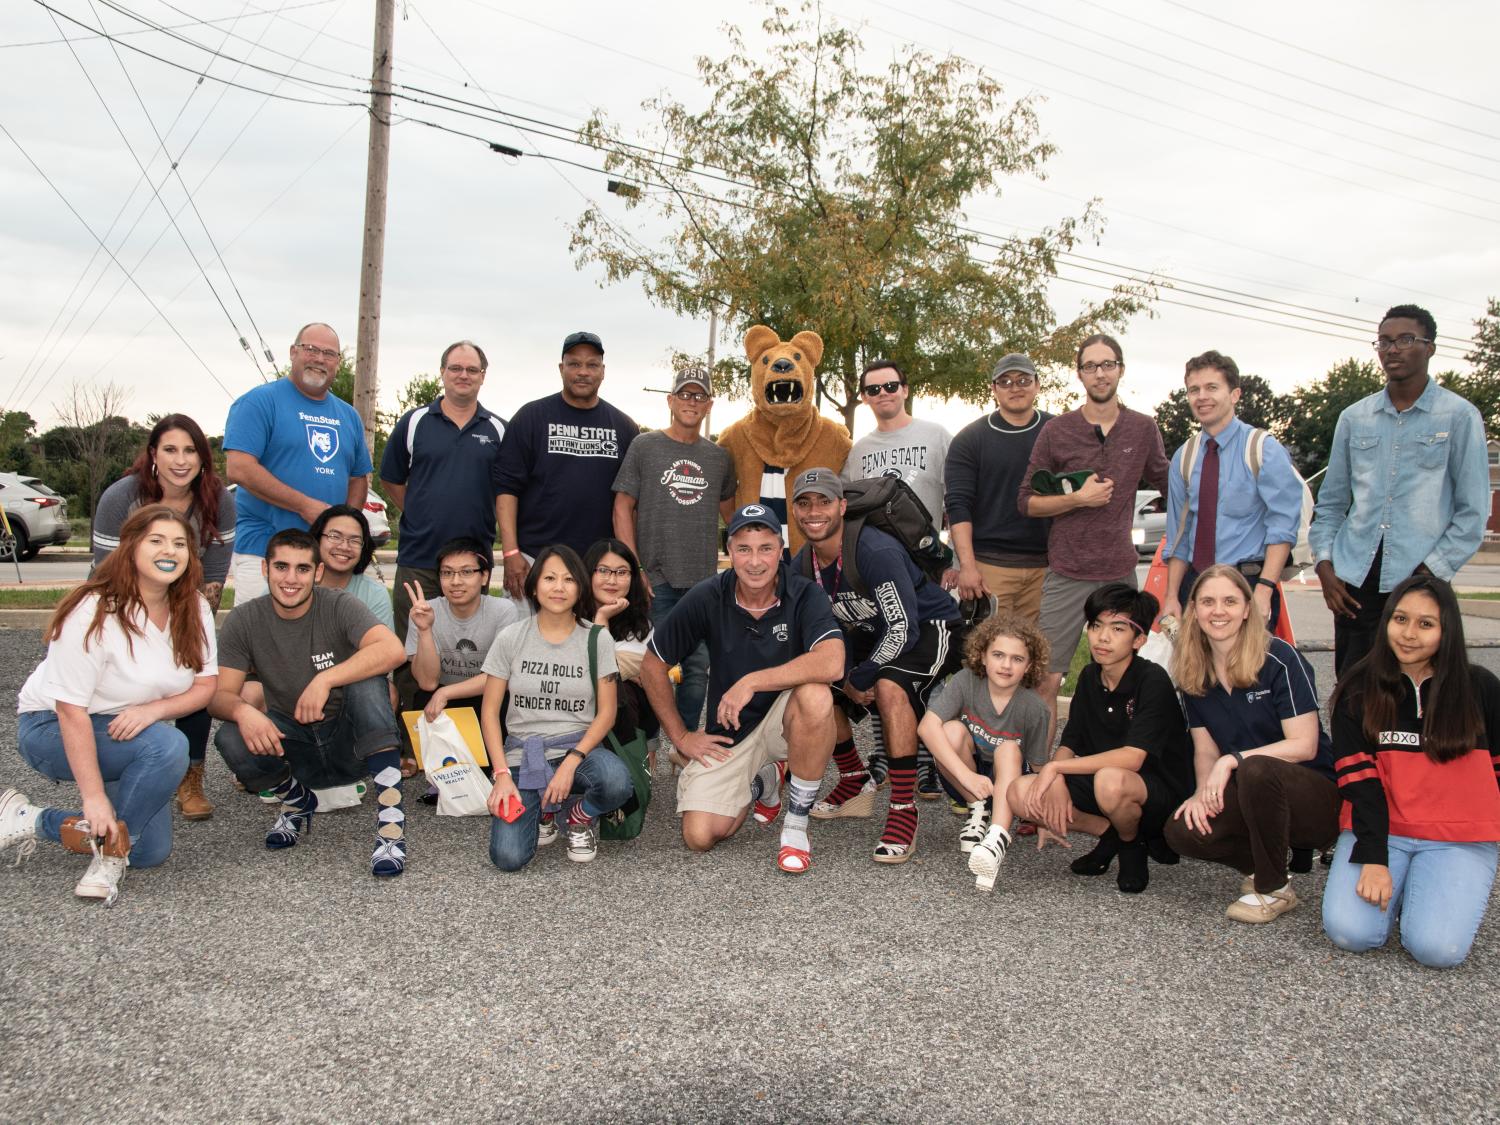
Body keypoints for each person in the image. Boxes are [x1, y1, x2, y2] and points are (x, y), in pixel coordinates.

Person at [0, 506, 215, 903]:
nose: (169, 550)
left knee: (151, 853)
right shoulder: (92, 609)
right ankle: (110, 856)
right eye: (156, 540)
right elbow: (70, 710)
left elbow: (204, 687)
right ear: (131, 546)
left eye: (180, 543)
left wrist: (153, 711)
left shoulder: (194, 608)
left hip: (124, 732)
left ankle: (32, 819)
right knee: (169, 747)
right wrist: (94, 798)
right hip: (51, 728)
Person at [640, 504, 843, 873]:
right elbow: (652, 664)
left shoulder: (804, 593)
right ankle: (762, 781)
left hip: (786, 720)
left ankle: (796, 823)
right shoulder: (708, 595)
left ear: (781, 551)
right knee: (700, 836)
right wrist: (681, 737)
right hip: (733, 728)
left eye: (765, 548)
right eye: (744, 549)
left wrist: (751, 681)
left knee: (817, 695)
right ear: (728, 551)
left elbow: (833, 662)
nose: (755, 561)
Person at [1322, 575, 1500, 969]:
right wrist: (1374, 858)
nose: (1409, 634)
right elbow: (1360, 784)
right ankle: (1404, 880)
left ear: (1447, 630)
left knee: (1437, 951)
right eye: (1400, 619)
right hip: (1385, 831)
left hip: (1459, 837)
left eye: (1426, 624)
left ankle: (1427, 887)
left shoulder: (1481, 688)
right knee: (1350, 933)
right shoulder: (1358, 689)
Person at [211, 530, 409, 877]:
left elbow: (392, 649)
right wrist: (243, 711)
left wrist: (326, 678)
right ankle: (298, 800)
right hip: (293, 744)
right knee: (230, 736)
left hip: (350, 743)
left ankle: (391, 827)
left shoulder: (338, 604)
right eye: (282, 567)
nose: (291, 579)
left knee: (367, 680)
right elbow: (219, 696)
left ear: (317, 573)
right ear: (264, 569)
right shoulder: (244, 619)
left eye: (302, 569)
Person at [790, 468, 961, 864]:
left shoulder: (873, 549)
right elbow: (816, 631)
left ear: (842, 506)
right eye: (804, 502)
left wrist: (860, 676)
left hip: (930, 627)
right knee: (815, 684)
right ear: (795, 511)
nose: (814, 511)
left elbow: (902, 627)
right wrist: (843, 676)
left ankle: (903, 808)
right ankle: (854, 780)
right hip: (870, 629)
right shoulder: (803, 562)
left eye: (824, 501)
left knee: (889, 688)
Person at [1311, 304, 1488, 677]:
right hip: (1353, 584)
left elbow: (1472, 512)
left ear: (1430, 348)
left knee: (1418, 696)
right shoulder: (1354, 418)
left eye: (1406, 340)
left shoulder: (1459, 416)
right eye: (1385, 341)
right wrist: (1325, 566)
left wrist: (1428, 575)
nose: (1393, 350)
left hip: (1423, 582)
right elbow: (1330, 504)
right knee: (1352, 694)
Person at [1163, 565, 1339, 923]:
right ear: (1194, 609)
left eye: (1230, 601)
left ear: (1247, 608)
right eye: (1208, 601)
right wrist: (1200, 794)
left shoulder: (1279, 657)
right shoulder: (1194, 668)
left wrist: (1233, 761)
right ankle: (1265, 866)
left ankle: (1273, 889)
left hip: (1314, 796)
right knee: (1182, 830)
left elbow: (1304, 745)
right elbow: (1205, 749)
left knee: (1256, 768)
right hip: (1253, 793)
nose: (1218, 611)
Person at [1018, 334, 1170, 740]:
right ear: (1079, 373)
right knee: (1046, 681)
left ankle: (1114, 772)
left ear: (1120, 369)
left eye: (1107, 364)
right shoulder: (1057, 431)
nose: (1100, 373)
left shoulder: (1142, 428)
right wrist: (1077, 500)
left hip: (1120, 573)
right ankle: (1036, 779)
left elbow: (1172, 484)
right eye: (1091, 366)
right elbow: (1027, 502)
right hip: (1066, 572)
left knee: (1124, 680)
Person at [90, 414, 234, 820]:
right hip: (117, 605)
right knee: (115, 685)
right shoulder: (121, 497)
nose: (181, 460)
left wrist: (186, 629)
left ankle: (191, 776)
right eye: (170, 449)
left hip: (185, 605)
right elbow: (105, 572)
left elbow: (214, 578)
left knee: (196, 678)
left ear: (203, 458)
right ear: (153, 454)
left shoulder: (219, 501)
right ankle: (107, 767)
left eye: (190, 450)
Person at [1008, 584, 1193, 894]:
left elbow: (1133, 758)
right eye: (1096, 626)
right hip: (1108, 785)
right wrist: (1053, 780)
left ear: (1139, 640)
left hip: (1159, 792)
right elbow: (1071, 740)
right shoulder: (1090, 676)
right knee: (1021, 793)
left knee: (1110, 780)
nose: (1102, 637)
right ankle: (1113, 837)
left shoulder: (1152, 680)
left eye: (1117, 628)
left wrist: (1056, 770)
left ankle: (1133, 845)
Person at [480, 546, 633, 870]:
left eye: (568, 579)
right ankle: (545, 811)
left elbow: (606, 713)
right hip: (524, 755)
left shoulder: (596, 639)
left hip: (578, 750)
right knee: (508, 858)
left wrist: (571, 762)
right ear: (534, 586)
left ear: (580, 588)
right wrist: (502, 775)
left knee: (617, 781)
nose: (559, 587)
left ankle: (579, 816)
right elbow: (490, 712)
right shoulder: (511, 637)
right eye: (550, 578)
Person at [842, 360, 954, 798]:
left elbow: (958, 502)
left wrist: (958, 562)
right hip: (878, 568)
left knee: (924, 668)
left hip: (926, 565)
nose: (883, 394)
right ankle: (885, 756)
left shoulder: (936, 436)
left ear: (905, 389)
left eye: (890, 386)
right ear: (865, 397)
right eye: (873, 389)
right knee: (880, 657)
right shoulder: (860, 449)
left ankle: (926, 761)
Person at [611, 364, 735, 740]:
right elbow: (622, 507)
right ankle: (648, 743)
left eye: (699, 396)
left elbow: (732, 514)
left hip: (702, 582)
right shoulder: (645, 446)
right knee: (652, 666)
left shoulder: (718, 457)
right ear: (670, 400)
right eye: (684, 394)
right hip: (656, 579)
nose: (691, 402)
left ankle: (682, 745)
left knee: (698, 669)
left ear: (709, 404)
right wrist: (635, 567)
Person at [223, 322, 372, 600]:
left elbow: (358, 479)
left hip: (322, 558)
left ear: (338, 362)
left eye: (329, 354)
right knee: (264, 639)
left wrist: (339, 528)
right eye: (311, 349)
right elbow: (239, 468)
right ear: (293, 352)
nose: (319, 358)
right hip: (265, 553)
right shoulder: (259, 402)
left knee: (322, 642)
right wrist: (305, 506)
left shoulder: (348, 415)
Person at [379, 339, 507, 649]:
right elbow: (391, 478)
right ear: (442, 372)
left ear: (483, 375)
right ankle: (413, 700)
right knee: (411, 649)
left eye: (472, 369)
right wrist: (420, 511)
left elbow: (508, 492)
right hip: (419, 558)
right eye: (456, 368)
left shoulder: (499, 430)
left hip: (473, 564)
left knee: (470, 650)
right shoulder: (414, 422)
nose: (464, 375)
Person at [1161, 351, 1303, 628]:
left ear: (1235, 394)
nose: (1202, 396)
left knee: (1247, 671)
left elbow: (1283, 527)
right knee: (1195, 672)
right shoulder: (1184, 457)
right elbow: (1178, 536)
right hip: (1195, 585)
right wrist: (1171, 597)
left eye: (1212, 387)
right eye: (1194, 390)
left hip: (1248, 583)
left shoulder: (1263, 449)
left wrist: (1264, 589)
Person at [495, 330, 639, 599]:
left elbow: (632, 505)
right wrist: (511, 553)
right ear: (562, 368)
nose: (583, 372)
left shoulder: (624, 427)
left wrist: (627, 564)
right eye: (574, 364)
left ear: (603, 371)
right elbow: (506, 489)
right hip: (535, 560)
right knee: (525, 640)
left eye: (592, 365)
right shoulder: (531, 418)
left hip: (598, 567)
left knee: (592, 640)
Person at [917, 612, 1051, 888]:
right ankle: (977, 811)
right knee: (949, 730)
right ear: (982, 656)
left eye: (1017, 659)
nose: (1006, 665)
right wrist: (967, 779)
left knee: (1008, 748)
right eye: (998, 655)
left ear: (1029, 666)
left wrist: (1045, 814)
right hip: (968, 778)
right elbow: (926, 728)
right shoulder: (967, 680)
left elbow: (1039, 767)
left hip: (1009, 781)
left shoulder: (1035, 708)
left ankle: (996, 838)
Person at [946, 353, 1052, 623]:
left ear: (1037, 384)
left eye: (1023, 380)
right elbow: (958, 506)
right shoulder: (971, 439)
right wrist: (967, 567)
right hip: (990, 567)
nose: (1015, 387)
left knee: (1039, 653)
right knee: (989, 654)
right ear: (994, 389)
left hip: (1049, 567)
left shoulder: (1059, 431)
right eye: (1005, 381)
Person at [406, 538, 519, 722]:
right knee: (423, 699)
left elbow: (501, 676)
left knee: (503, 701)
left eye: (466, 572)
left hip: (486, 695)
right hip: (438, 695)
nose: (455, 581)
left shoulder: (503, 611)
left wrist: (446, 692)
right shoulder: (424, 612)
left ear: (484, 577)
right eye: (447, 573)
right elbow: (427, 683)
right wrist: (425, 630)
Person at [309, 505, 394, 632]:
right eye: (335, 536)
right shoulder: (292, 583)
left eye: (355, 540)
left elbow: (385, 649)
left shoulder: (373, 594)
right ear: (317, 539)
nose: (344, 546)